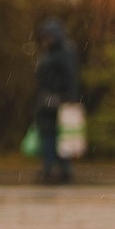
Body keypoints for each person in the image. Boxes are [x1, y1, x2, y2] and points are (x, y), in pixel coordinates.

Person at [34, 19, 81, 185]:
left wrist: (67, 99)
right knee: (54, 136)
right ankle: (55, 169)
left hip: (57, 101)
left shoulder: (61, 53)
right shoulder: (54, 52)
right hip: (50, 100)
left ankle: (58, 170)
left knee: (58, 136)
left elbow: (69, 78)